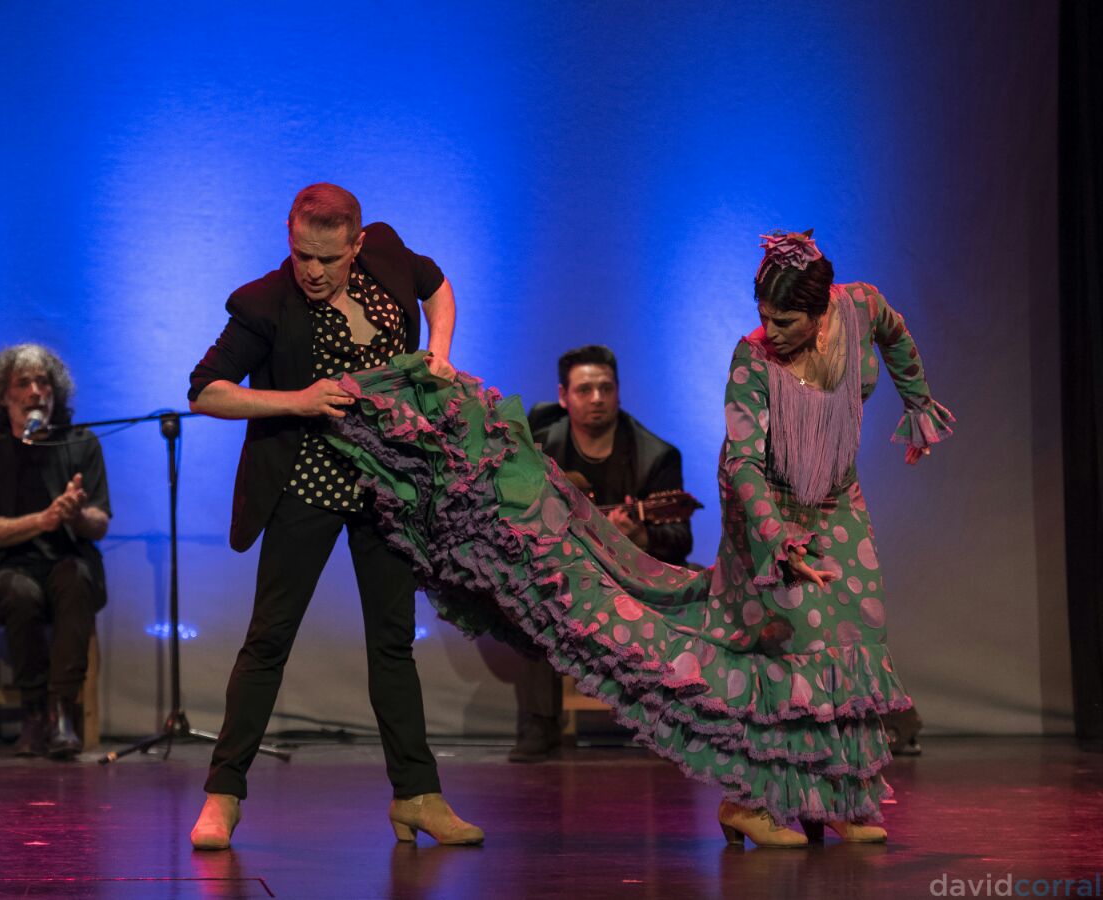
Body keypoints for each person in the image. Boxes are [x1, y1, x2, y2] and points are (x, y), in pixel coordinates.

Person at [323, 229, 951, 848]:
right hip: (768, 511)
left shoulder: (861, 305)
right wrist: (774, 535)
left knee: (852, 636)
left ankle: (837, 799)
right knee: (792, 647)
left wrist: (918, 402)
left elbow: (894, 335)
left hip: (837, 504)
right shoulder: (752, 359)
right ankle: (751, 801)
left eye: (785, 320)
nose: (772, 331)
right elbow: (743, 465)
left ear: (821, 310)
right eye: (764, 316)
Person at [184, 183, 482, 850]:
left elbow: (437, 286)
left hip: (387, 484)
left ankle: (417, 796)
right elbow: (206, 391)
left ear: (357, 246)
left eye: (327, 258)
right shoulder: (264, 302)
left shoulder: (389, 259)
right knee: (270, 639)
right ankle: (222, 796)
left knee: (392, 642)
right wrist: (296, 401)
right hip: (307, 481)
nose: (312, 272)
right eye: (301, 256)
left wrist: (440, 351)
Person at [510, 345, 692, 762]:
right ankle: (540, 725)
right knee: (525, 591)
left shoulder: (657, 456)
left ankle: (668, 723)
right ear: (563, 396)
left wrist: (639, 539)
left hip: (630, 581)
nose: (596, 398)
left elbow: (681, 539)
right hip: (562, 578)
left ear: (618, 393)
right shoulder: (540, 449)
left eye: (606, 388)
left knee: (691, 584)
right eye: (585, 389)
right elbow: (518, 518)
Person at [0, 343, 110, 760]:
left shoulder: (81, 443)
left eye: (43, 382)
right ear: (3, 398)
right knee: (21, 593)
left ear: (55, 393)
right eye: (22, 384)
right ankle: (34, 713)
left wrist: (75, 516)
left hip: (66, 562)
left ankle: (62, 714)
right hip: (8, 569)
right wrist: (41, 520)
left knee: (76, 580)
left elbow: (100, 523)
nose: (35, 392)